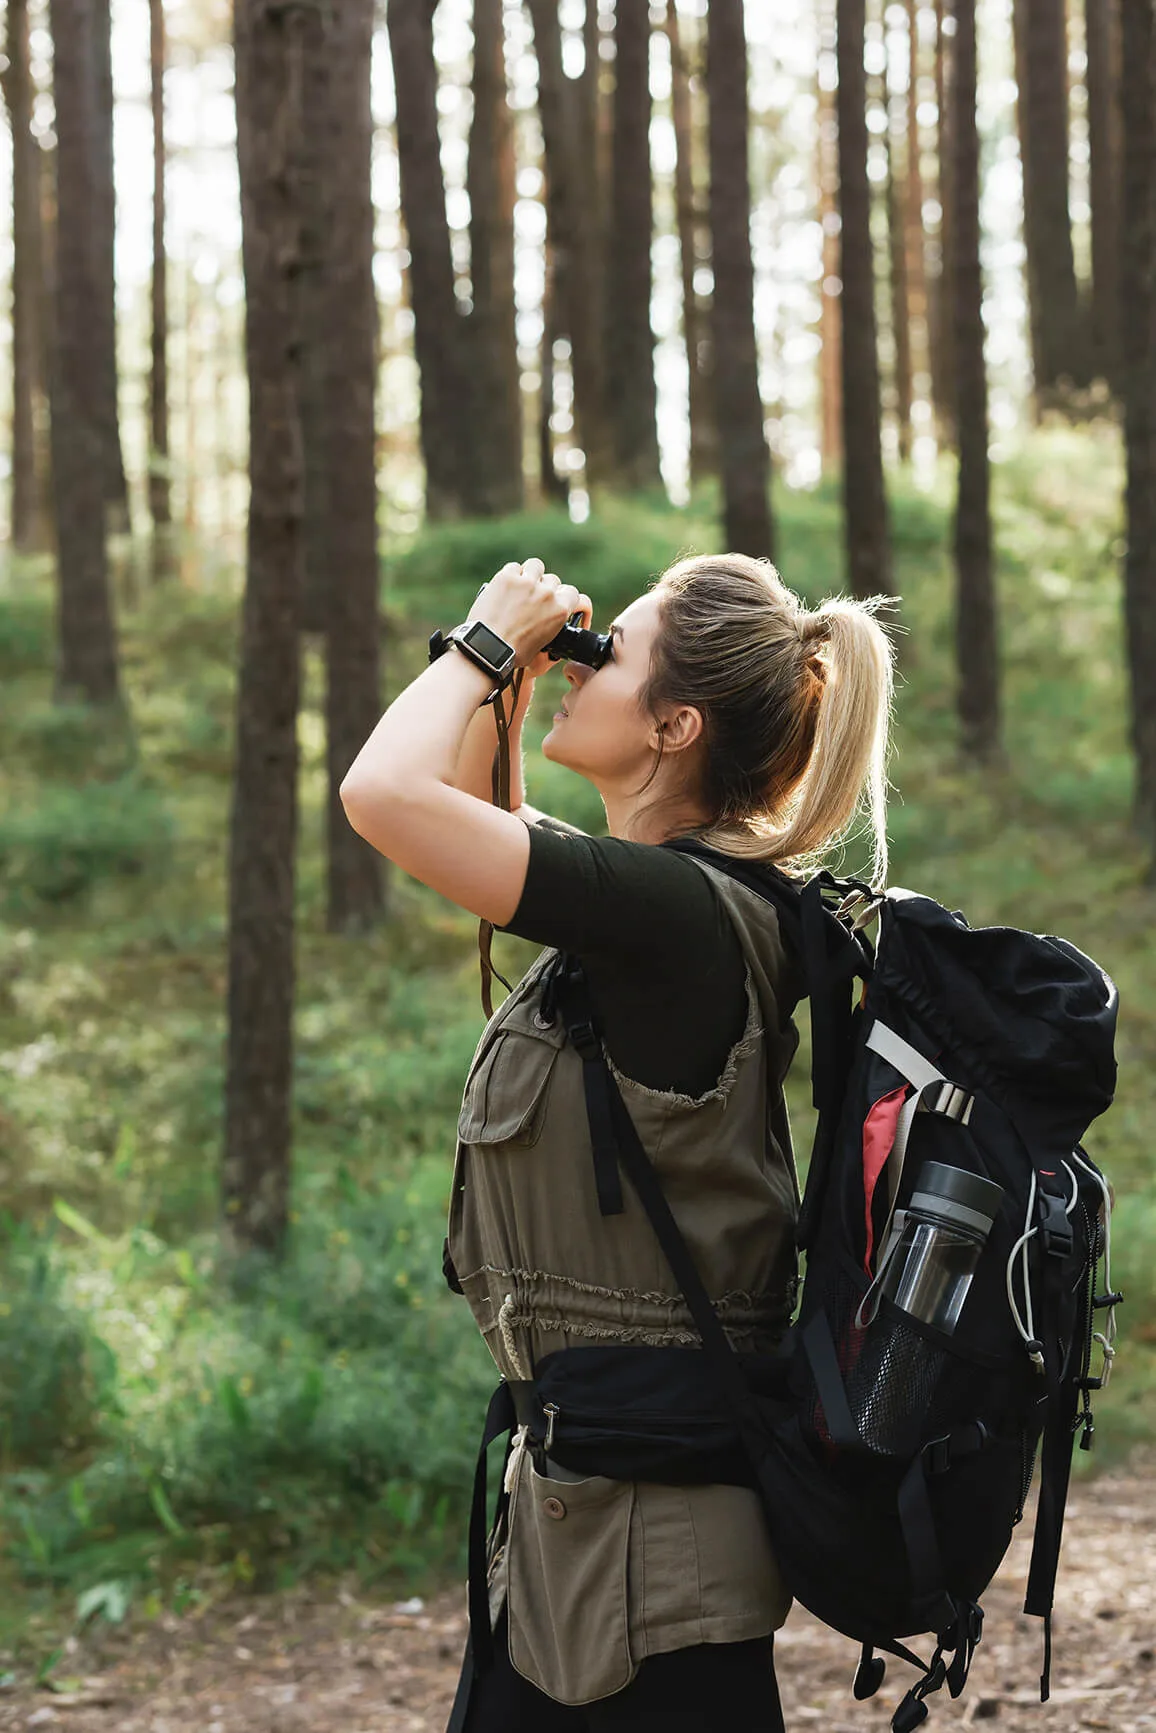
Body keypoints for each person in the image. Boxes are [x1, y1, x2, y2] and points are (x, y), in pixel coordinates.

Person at [340, 553, 895, 1733]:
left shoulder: (677, 913)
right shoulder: (664, 902)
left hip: (650, 1547)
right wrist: (514, 681)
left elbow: (382, 794)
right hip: (591, 1511)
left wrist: (485, 643)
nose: (589, 657)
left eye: (617, 648)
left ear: (675, 725)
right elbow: (476, 824)